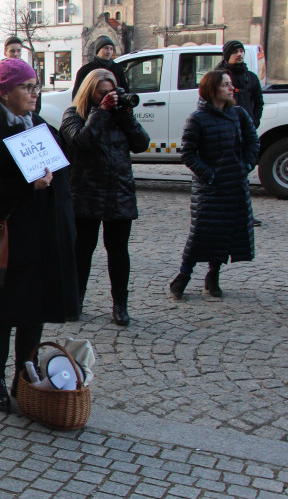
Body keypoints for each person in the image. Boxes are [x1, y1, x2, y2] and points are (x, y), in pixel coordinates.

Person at [0, 58, 79, 411]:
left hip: (41, 239)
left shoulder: (39, 125)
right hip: (5, 239)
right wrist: (26, 186)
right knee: (1, 314)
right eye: (26, 87)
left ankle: (23, 375)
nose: (33, 93)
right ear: (3, 92)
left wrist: (65, 228)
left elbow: (62, 181)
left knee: (34, 312)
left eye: (35, 86)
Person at [61, 68, 150, 326]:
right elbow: (81, 141)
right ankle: (75, 300)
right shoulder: (74, 114)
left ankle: (120, 304)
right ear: (90, 92)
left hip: (119, 191)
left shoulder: (119, 116)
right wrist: (100, 111)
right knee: (82, 251)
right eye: (102, 93)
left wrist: (126, 116)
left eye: (111, 92)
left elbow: (142, 143)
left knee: (118, 251)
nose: (108, 97)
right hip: (86, 191)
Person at [169, 70, 259, 300]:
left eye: (231, 84)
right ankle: (184, 275)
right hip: (209, 188)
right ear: (212, 89)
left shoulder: (238, 114)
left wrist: (246, 166)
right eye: (226, 84)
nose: (231, 88)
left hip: (234, 185)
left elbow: (253, 142)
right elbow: (188, 154)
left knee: (224, 231)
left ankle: (213, 275)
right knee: (201, 232)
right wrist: (209, 175)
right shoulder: (197, 119)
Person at [218, 40, 263, 127]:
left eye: (241, 51)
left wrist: (255, 121)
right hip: (224, 127)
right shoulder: (216, 76)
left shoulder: (251, 77)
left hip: (246, 127)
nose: (239, 54)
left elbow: (259, 103)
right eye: (235, 52)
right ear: (227, 55)